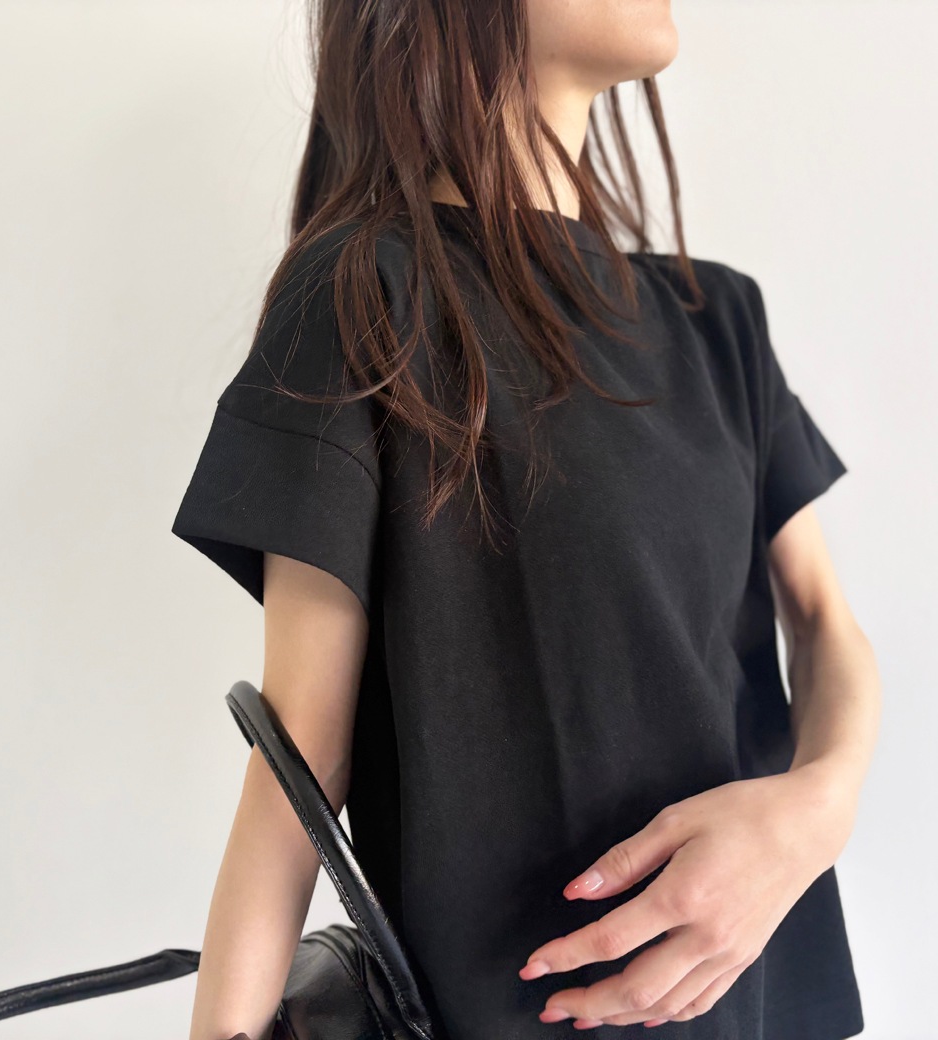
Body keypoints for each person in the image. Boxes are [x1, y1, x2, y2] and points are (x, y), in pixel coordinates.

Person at [170, 2, 881, 1038]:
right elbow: (298, 761)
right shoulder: (365, 295)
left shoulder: (716, 320)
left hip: (755, 1004)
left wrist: (816, 810)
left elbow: (824, 623)